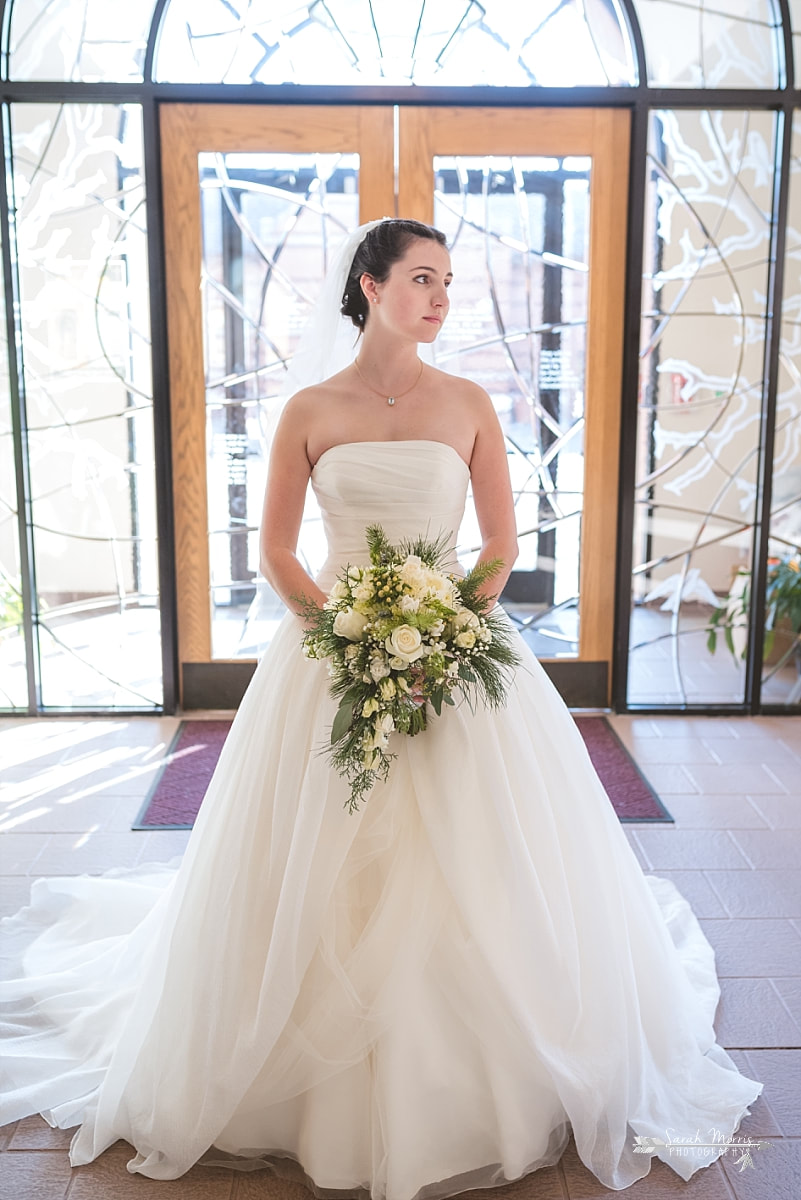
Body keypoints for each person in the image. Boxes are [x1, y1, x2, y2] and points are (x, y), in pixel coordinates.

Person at [0, 218, 762, 1198]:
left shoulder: (471, 402)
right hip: (328, 653)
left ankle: (485, 1068)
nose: (443, 299)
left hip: (455, 660)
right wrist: (345, 638)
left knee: (481, 858)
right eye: (422, 279)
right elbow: (276, 550)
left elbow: (497, 546)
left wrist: (444, 636)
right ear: (368, 285)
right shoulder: (310, 409)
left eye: (449, 281)